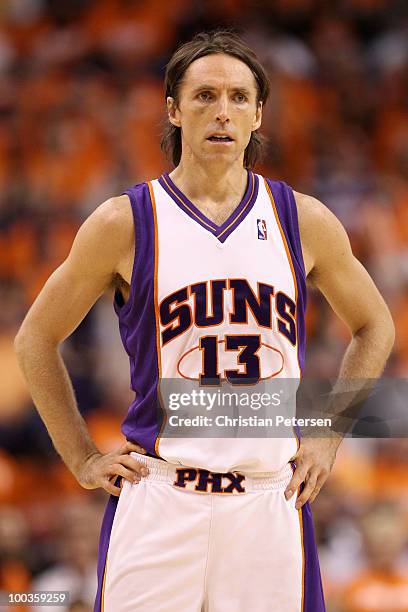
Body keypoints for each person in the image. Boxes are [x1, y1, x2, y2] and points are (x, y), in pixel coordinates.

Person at [14, 30, 394, 612]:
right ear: (173, 109)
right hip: (161, 495)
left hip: (269, 501)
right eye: (205, 96)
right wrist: (83, 458)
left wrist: (326, 434)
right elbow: (36, 339)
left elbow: (376, 326)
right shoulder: (126, 221)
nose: (223, 112)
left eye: (240, 97)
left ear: (259, 114)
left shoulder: (303, 220)